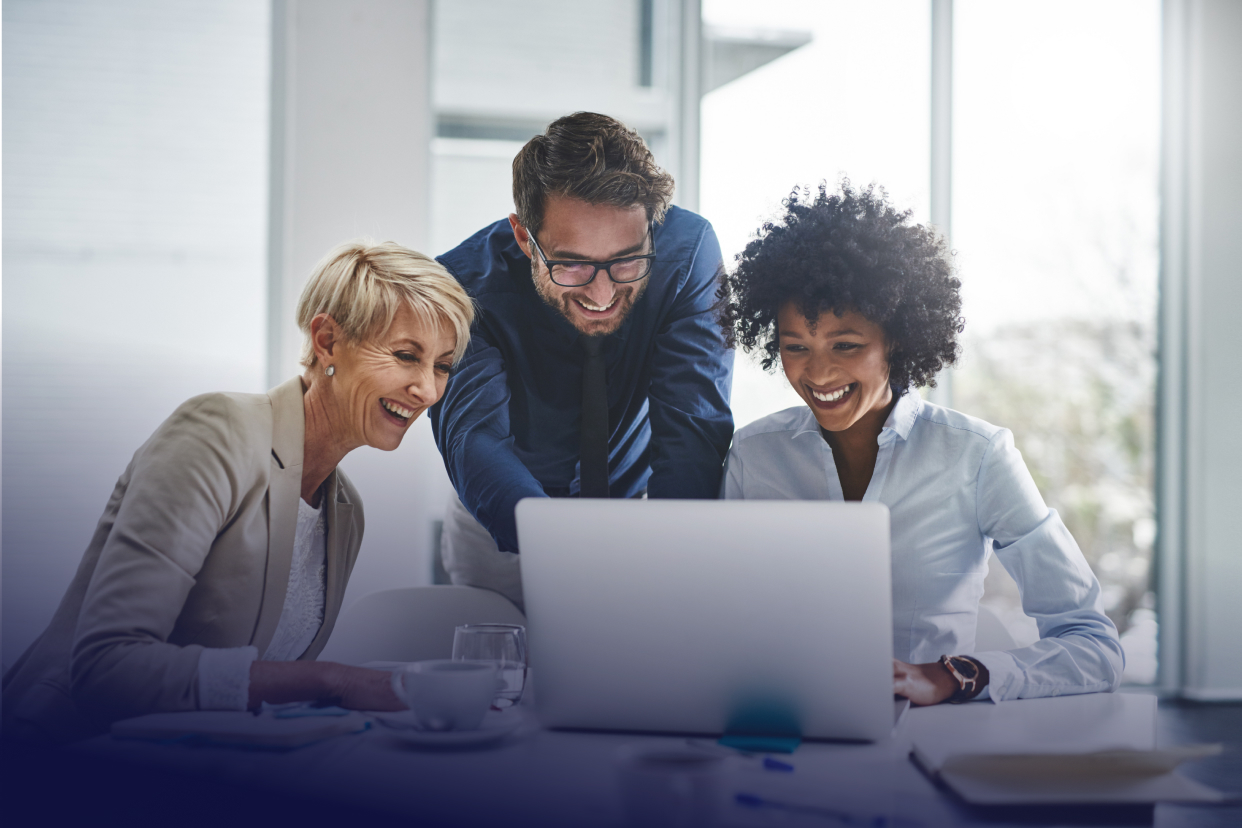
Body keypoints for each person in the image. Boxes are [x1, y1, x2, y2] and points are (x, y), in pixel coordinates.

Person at [3, 241, 475, 741]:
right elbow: (108, 667)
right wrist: (331, 680)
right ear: (327, 340)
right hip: (68, 761)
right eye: (406, 356)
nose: (428, 390)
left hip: (198, 773)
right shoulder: (217, 432)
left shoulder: (344, 511)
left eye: (442, 366)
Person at [717, 182, 1123, 704]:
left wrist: (952, 676)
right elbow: (721, 623)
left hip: (930, 738)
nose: (817, 372)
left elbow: (1094, 646)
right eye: (796, 347)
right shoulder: (754, 456)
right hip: (785, 726)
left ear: (899, 338)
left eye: (846, 344)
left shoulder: (976, 456)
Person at [432, 112, 734, 609]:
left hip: (641, 514)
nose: (601, 291)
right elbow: (475, 438)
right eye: (571, 263)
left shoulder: (687, 253)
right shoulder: (460, 285)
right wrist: (565, 550)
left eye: (626, 260)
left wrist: (671, 555)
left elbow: (692, 428)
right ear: (524, 236)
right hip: (503, 525)